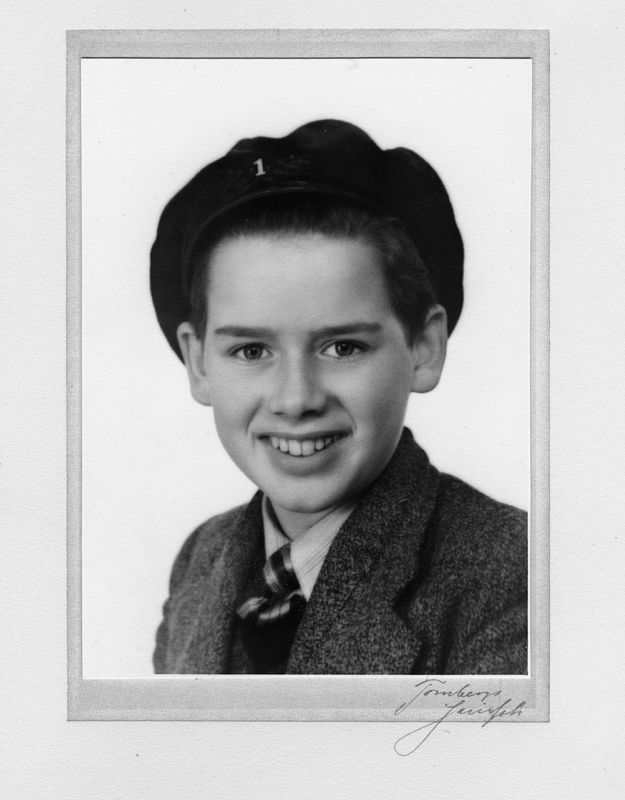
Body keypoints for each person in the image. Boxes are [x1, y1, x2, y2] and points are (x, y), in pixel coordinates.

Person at [150, 119, 527, 675]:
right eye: (251, 351)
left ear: (423, 348)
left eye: (342, 347)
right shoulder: (201, 561)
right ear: (199, 361)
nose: (296, 399)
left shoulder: (517, 576)